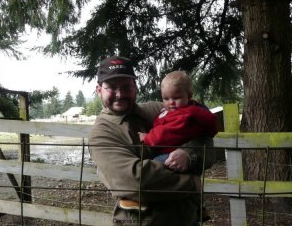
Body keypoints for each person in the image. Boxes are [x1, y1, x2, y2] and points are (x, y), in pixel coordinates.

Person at [88, 56, 215, 226]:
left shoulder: (160, 110)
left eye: (126, 86)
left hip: (187, 218)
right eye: (111, 87)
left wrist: (189, 154)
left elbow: (206, 138)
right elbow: (135, 181)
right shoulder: (101, 134)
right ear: (99, 89)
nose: (120, 94)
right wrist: (192, 182)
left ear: (135, 87)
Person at [119, 70, 218, 222]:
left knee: (153, 167)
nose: (170, 102)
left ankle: (139, 199)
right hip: (178, 153)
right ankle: (199, 207)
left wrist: (148, 137)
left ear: (189, 96)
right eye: (166, 98)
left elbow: (168, 133)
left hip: (171, 153)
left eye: (176, 98)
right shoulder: (174, 110)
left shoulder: (185, 113)